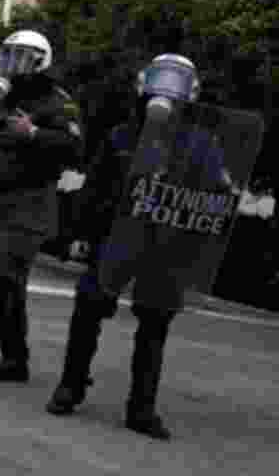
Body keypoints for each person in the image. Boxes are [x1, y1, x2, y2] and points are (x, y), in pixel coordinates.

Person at [46, 54, 244, 440]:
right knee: (89, 308)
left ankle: (142, 408)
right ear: (144, 84)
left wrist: (205, 229)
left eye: (177, 82)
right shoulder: (122, 135)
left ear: (192, 93)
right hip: (115, 239)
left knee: (154, 325)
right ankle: (70, 386)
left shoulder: (202, 144)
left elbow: (216, 196)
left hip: (167, 245)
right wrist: (82, 234)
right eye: (161, 79)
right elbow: (95, 190)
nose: (167, 90)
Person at [0, 29, 84, 388]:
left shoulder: (58, 101)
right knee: (10, 284)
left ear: (41, 62)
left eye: (22, 56)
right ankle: (15, 359)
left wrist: (35, 135)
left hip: (31, 201)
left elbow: (73, 146)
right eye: (9, 54)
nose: (12, 64)